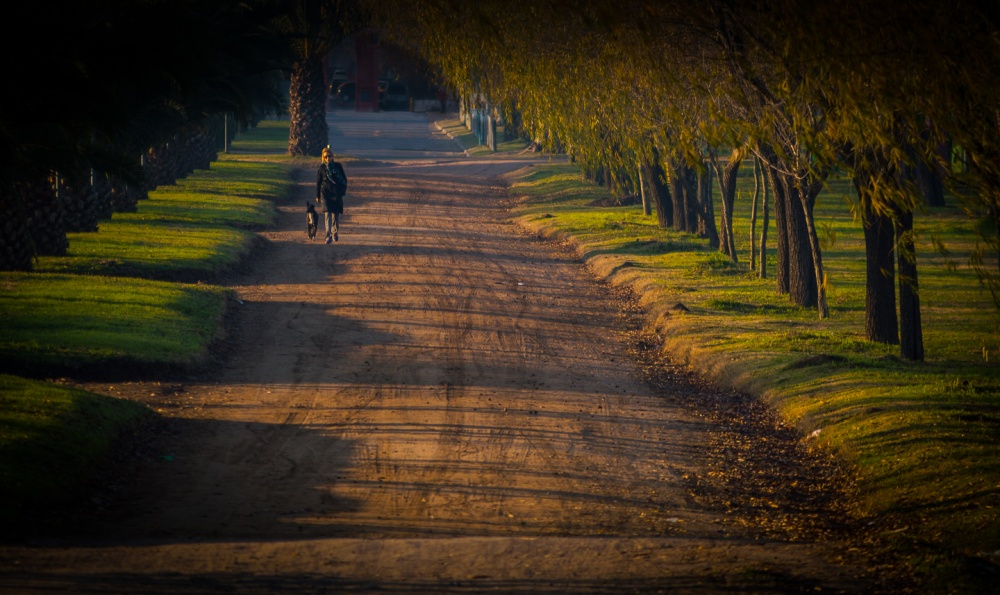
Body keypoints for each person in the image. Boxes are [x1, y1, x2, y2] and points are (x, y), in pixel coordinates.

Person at [315, 146, 347, 244]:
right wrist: (318, 195)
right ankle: (328, 235)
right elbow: (318, 183)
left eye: (329, 156)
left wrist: (342, 192)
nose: (328, 158)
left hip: (336, 193)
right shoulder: (322, 168)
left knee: (335, 216)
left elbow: (344, 180)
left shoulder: (338, 166)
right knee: (327, 214)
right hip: (325, 193)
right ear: (323, 158)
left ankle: (335, 232)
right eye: (325, 157)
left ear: (332, 156)